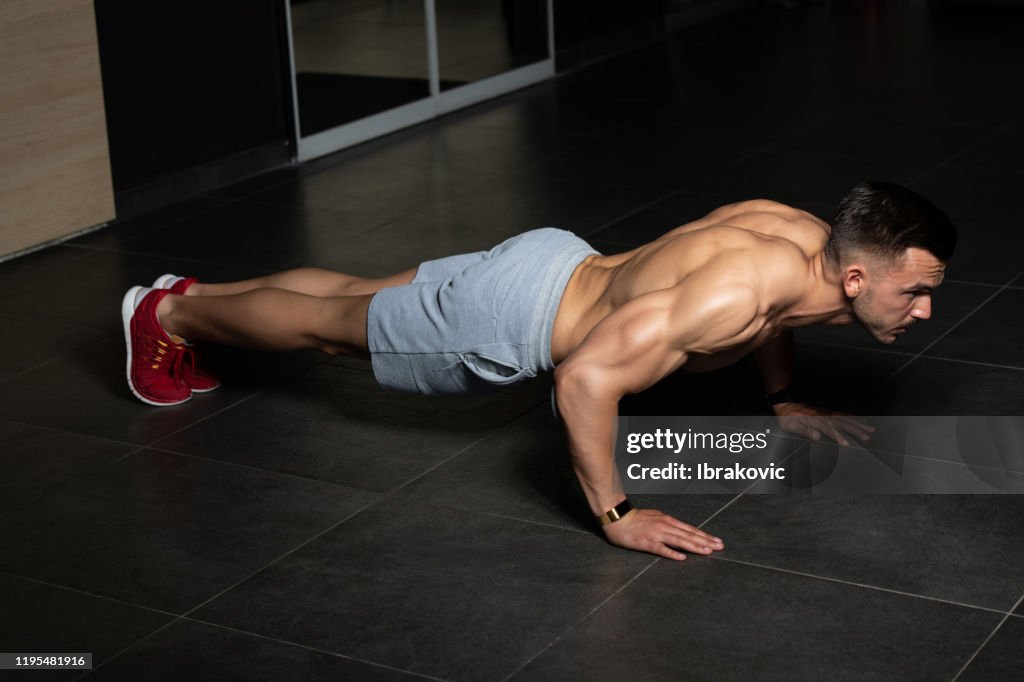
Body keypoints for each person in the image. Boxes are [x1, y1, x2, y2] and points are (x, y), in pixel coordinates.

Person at [121, 180, 956, 561]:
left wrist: (782, 399)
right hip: (510, 321)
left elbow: (781, 315)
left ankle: (192, 295)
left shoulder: (801, 240)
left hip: (555, 261)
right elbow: (585, 382)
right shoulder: (733, 296)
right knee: (333, 330)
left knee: (356, 294)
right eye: (915, 292)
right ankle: (171, 317)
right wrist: (617, 512)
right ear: (858, 277)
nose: (922, 311)